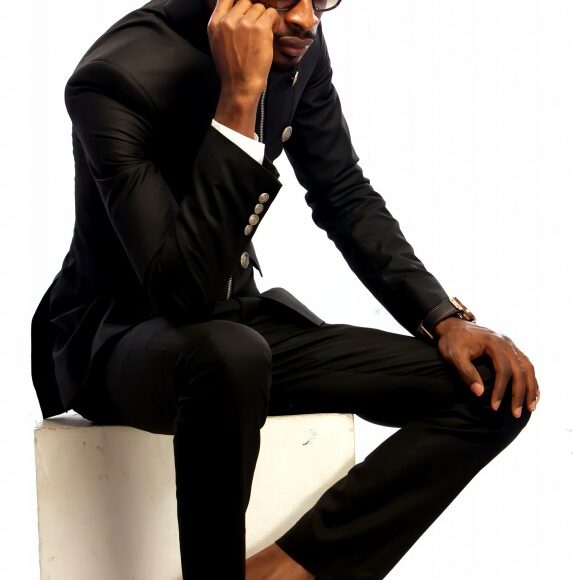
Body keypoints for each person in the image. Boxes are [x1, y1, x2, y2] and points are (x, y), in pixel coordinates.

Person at [30, 0, 540, 578]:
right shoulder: (114, 77)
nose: (306, 19)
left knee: (488, 390)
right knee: (229, 354)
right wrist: (239, 101)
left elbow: (342, 192)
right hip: (117, 338)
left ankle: (283, 570)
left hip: (235, 321)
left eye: (319, 0)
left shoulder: (296, 45)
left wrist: (442, 318)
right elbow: (182, 294)